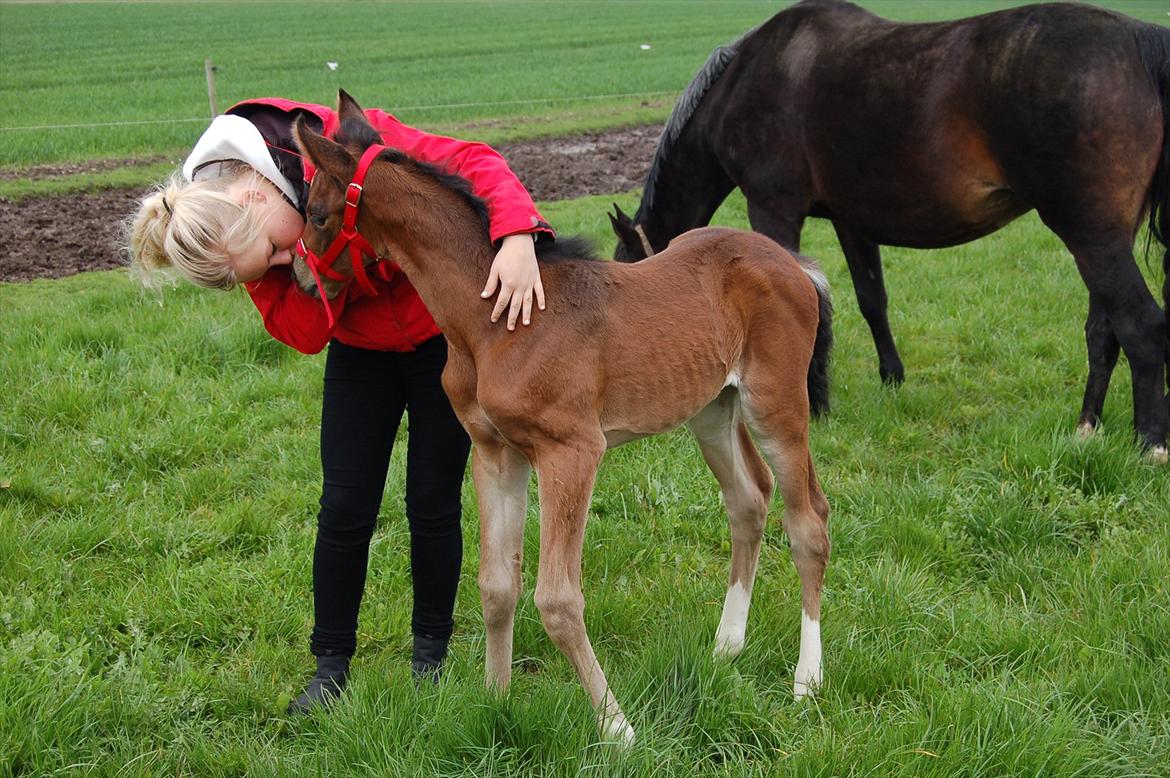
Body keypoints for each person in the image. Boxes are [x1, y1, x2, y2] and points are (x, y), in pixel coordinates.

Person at [127, 97, 554, 713]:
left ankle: (429, 656)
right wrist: (326, 261)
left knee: (432, 500)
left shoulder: (343, 144)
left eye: (275, 251)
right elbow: (300, 331)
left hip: (440, 339)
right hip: (360, 353)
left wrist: (515, 236)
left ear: (257, 198)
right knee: (345, 507)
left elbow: (471, 160)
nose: (282, 263)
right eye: (267, 268)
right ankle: (330, 667)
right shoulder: (231, 232)